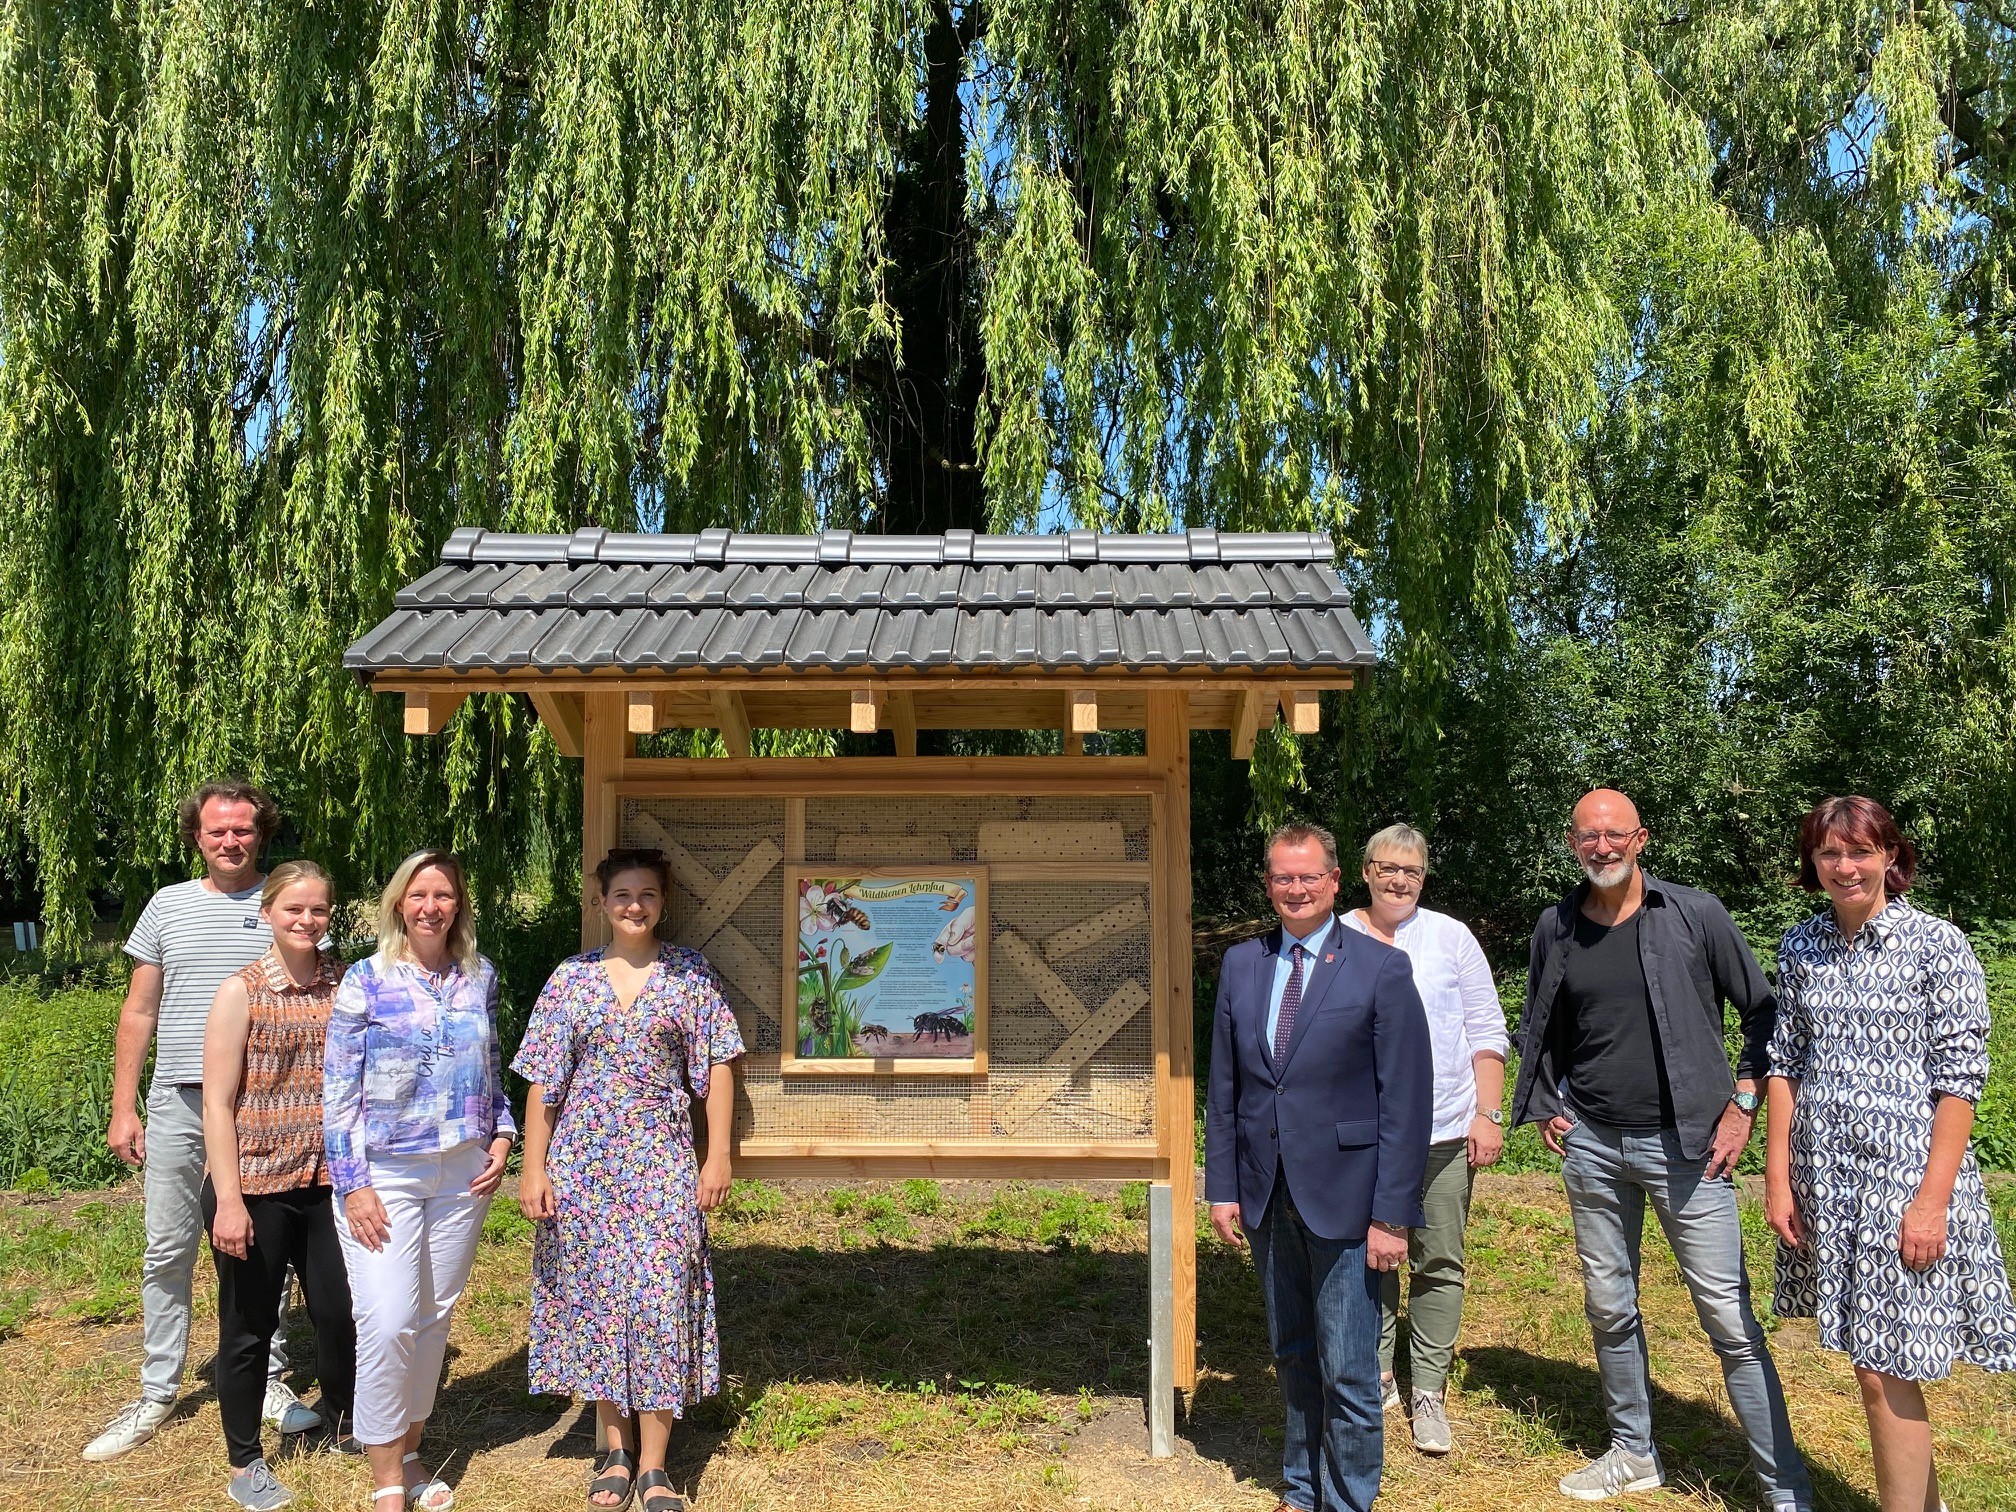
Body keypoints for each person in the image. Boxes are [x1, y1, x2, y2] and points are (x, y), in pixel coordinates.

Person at [1510, 788, 1811, 1507]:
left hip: (1693, 1149)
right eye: (1589, 836)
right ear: (1572, 842)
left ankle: (1785, 1488)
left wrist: (1743, 1105)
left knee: (1730, 1322)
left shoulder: (1694, 914)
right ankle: (1632, 1452)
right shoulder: (1556, 927)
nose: (1603, 847)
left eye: (1616, 834)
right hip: (1593, 1148)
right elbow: (1540, 1022)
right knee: (1610, 1307)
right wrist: (1549, 1103)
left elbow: (1765, 1011)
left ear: (1642, 838)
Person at [1765, 797, 2016, 1512]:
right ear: (1813, 864)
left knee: (1882, 1368)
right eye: (1829, 853)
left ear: (1890, 857)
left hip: (1907, 1182)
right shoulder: (1801, 944)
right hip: (1829, 1182)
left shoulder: (1938, 945)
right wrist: (1778, 1181)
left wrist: (1931, 1203)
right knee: (1874, 1362)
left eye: (1861, 851)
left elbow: (1960, 1081)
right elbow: (1785, 1064)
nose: (1845, 866)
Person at [86, 782, 322, 1462]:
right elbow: (139, 1010)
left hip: (264, 1109)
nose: (231, 841)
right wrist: (124, 1105)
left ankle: (267, 1379)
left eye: (243, 830)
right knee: (167, 1249)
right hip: (181, 1104)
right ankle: (158, 1389)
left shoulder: (286, 903)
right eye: (217, 831)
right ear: (197, 836)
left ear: (261, 835)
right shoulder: (168, 906)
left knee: (257, 1251)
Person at [1206, 821, 1433, 1512]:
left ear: (1335, 882)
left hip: (1349, 1200)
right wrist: (1221, 1187)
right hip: (1267, 1193)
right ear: (1267, 883)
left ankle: (1348, 1499)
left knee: (1350, 1368)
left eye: (1308, 877)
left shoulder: (1380, 967)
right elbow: (1226, 1088)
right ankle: (1301, 1490)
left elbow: (1407, 1103)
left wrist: (1392, 1216)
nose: (1295, 888)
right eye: (1282, 877)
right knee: (1293, 1354)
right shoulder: (1242, 965)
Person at [514, 848, 745, 1512]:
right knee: (598, 1305)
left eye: (646, 894)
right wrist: (532, 1167)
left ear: (663, 902)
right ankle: (612, 1451)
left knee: (661, 1303)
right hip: (583, 1168)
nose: (634, 906)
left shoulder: (689, 975)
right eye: (622, 894)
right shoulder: (571, 979)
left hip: (664, 1164)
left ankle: (654, 1466)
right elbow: (543, 1083)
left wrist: (718, 1154)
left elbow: (720, 1064)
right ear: (602, 902)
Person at [324, 850, 516, 1512]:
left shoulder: (478, 975)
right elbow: (338, 1091)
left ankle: (408, 1453)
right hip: (385, 1172)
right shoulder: (364, 979)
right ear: (399, 903)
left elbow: (490, 1060)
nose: (431, 906)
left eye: (444, 896)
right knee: (387, 1319)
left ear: (458, 905)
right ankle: (383, 1480)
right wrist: (353, 1184)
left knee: (432, 1318)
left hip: (463, 1168)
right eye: (419, 895)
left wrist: (503, 1132)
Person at [1338, 823, 1508, 1456]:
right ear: (1365, 871)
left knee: (1438, 1259)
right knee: (1367, 1256)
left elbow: (1486, 1029)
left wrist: (1486, 1113)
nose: (1398, 879)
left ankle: (1428, 1388)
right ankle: (1377, 1376)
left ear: (1423, 877)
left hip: (1442, 1129)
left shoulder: (1450, 938)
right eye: (1387, 867)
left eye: (1410, 870)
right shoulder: (1338, 936)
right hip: (1361, 1135)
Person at [201, 861, 357, 1509]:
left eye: (318, 910)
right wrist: (229, 1201)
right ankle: (245, 1464)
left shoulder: (344, 984)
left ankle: (349, 1419)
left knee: (340, 1312)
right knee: (248, 1325)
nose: (306, 921)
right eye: (294, 909)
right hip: (255, 1186)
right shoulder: (241, 992)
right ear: (268, 912)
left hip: (328, 1185)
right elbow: (216, 1103)